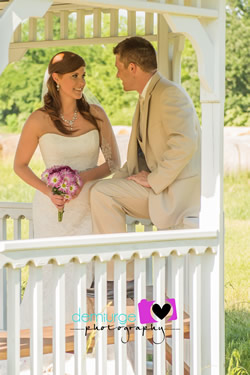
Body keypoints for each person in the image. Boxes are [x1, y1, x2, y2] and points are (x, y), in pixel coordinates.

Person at [13, 50, 121, 326]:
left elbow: (113, 163)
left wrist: (84, 177)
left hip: (89, 207)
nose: (81, 82)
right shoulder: (38, 119)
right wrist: (49, 191)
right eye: (75, 76)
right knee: (52, 272)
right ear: (57, 78)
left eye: (83, 75)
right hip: (52, 211)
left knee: (88, 272)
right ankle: (44, 344)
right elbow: (20, 165)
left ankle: (90, 344)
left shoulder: (96, 115)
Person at [90, 36, 201, 253]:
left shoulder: (169, 93)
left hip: (174, 193)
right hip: (158, 189)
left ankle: (122, 277)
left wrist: (153, 179)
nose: (117, 75)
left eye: (118, 68)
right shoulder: (146, 96)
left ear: (132, 67)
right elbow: (137, 159)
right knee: (98, 191)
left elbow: (185, 143)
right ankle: (121, 276)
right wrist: (117, 181)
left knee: (101, 193)